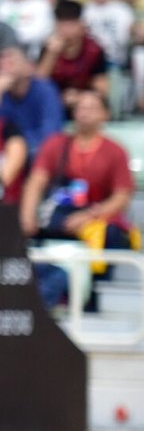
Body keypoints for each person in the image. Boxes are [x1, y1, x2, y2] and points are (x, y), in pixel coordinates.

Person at [20, 89, 136, 309]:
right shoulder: (56, 144)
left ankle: (92, 300)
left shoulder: (115, 151)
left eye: (91, 108)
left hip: (94, 222)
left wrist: (90, 216)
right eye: (80, 107)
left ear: (105, 114)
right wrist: (27, 216)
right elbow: (36, 181)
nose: (84, 113)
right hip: (59, 216)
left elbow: (122, 196)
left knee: (111, 235)